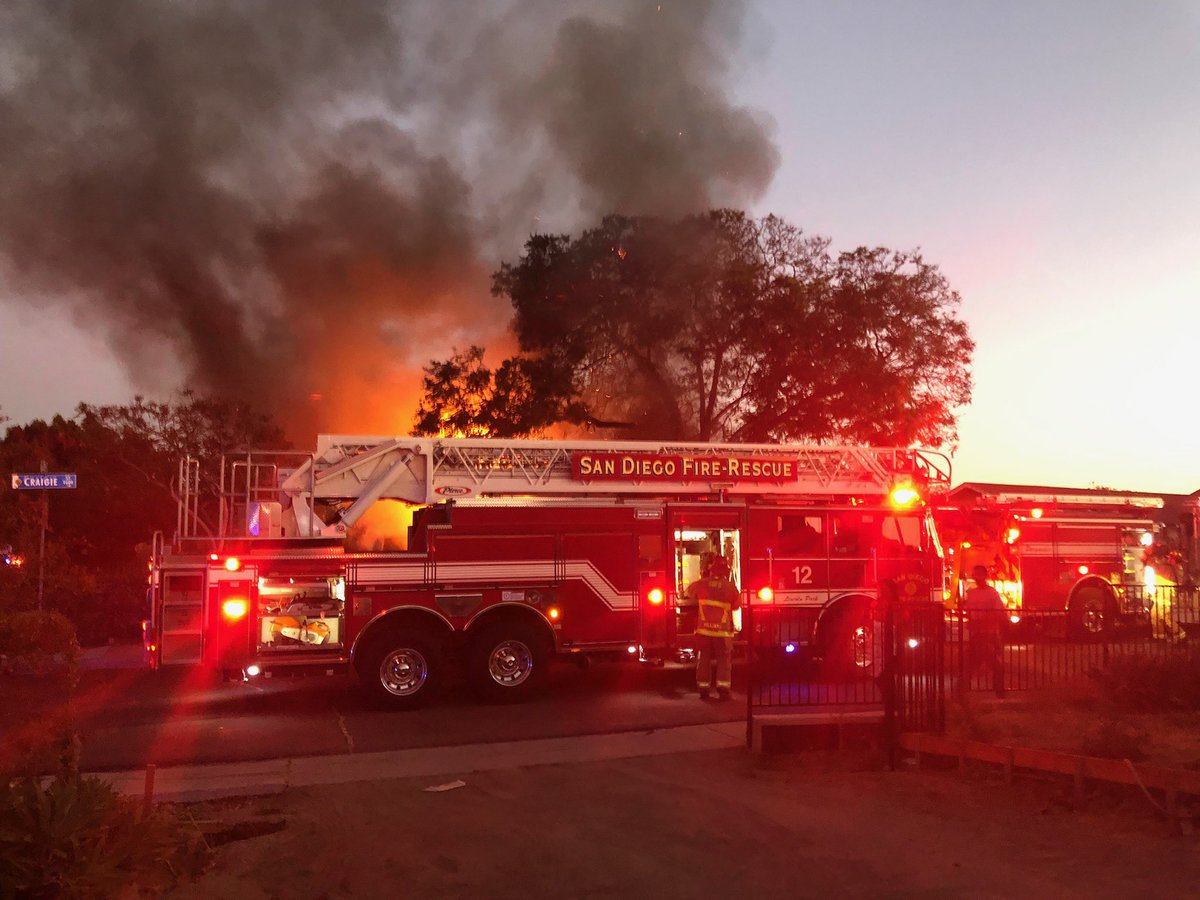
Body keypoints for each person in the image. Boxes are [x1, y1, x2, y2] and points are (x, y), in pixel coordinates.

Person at [684, 552, 741, 700]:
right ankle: (723, 690)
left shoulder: (701, 584)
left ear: (711, 569)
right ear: (726, 571)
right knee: (724, 661)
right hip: (722, 633)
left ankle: (703, 690)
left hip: (704, 632)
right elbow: (736, 606)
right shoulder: (730, 587)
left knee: (703, 659)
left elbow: (687, 593)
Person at [960, 564, 1007, 698]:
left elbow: (1000, 612)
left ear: (984, 576)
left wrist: (985, 621)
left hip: (989, 634)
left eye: (978, 574)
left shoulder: (992, 593)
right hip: (976, 634)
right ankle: (963, 692)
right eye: (974, 574)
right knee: (969, 663)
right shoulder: (971, 593)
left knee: (994, 663)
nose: (975, 577)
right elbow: (967, 611)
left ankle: (999, 691)